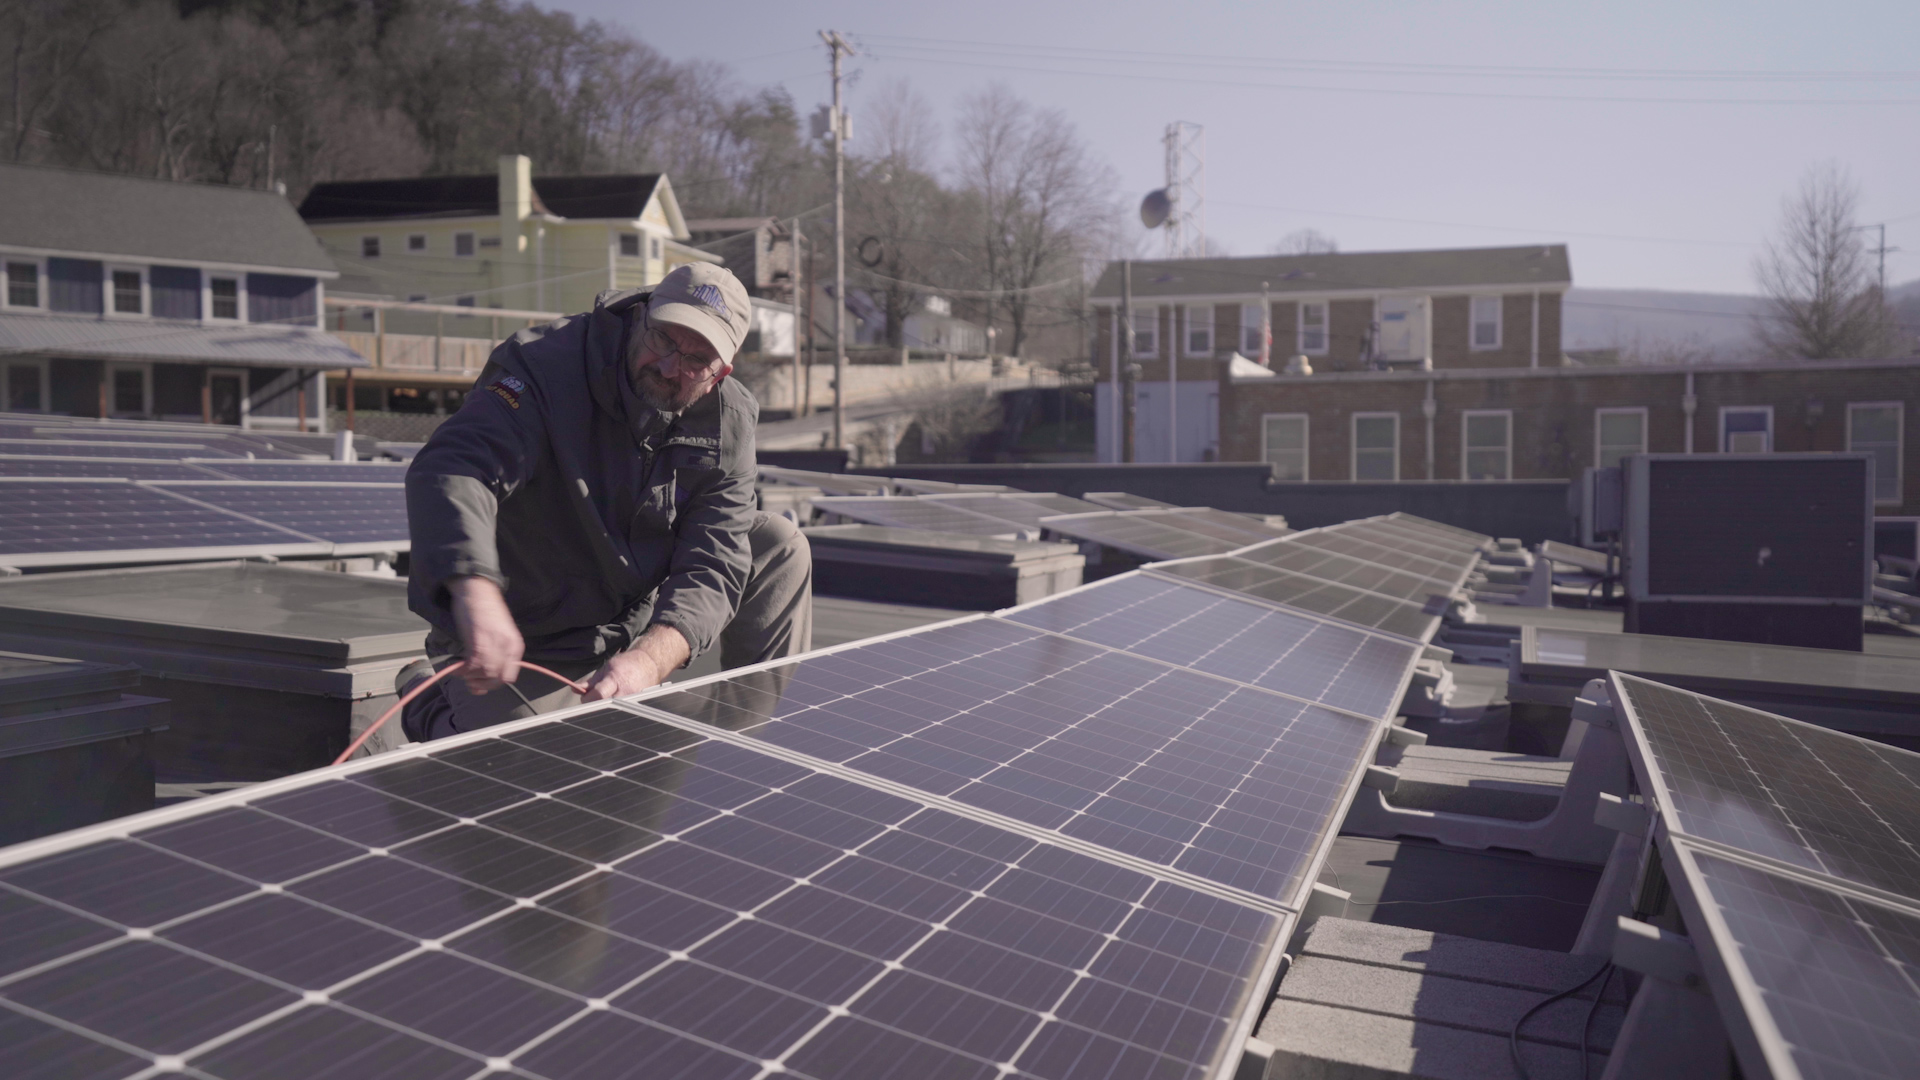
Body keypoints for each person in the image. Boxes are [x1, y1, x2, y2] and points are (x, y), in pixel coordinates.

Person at [398, 263, 810, 741]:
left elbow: (715, 561)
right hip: (521, 625)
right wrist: (477, 594)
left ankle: (747, 739)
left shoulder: (730, 420)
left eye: (696, 360)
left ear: (721, 374)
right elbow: (455, 468)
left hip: (630, 609)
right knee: (514, 766)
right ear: (641, 316)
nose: (670, 366)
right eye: (664, 340)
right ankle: (427, 699)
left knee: (778, 545)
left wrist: (650, 660)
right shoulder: (543, 366)